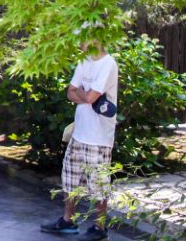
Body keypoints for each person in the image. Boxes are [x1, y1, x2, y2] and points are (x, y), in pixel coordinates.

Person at [41, 38, 119, 240]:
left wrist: (85, 96)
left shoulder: (108, 63)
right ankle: (68, 221)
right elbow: (70, 93)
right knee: (70, 179)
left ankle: (100, 228)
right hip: (79, 132)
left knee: (98, 184)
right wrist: (88, 97)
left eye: (84, 39)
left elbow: (90, 97)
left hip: (99, 136)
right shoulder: (84, 61)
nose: (80, 43)